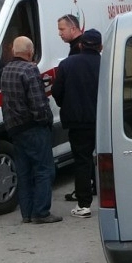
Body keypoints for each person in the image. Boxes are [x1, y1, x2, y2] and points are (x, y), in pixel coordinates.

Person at [1, 36, 60, 224]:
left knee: (24, 171)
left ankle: (26, 213)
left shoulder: (6, 70)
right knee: (44, 170)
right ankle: (41, 213)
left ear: (13, 51)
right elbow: (38, 103)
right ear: (30, 51)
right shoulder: (30, 70)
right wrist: (46, 120)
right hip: (33, 127)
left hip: (15, 128)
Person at [52, 29, 101, 218]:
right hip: (103, 120)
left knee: (82, 161)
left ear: (81, 45)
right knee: (110, 160)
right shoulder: (106, 63)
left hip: (78, 122)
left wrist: (67, 104)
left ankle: (84, 205)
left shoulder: (66, 65)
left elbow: (57, 92)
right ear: (100, 46)